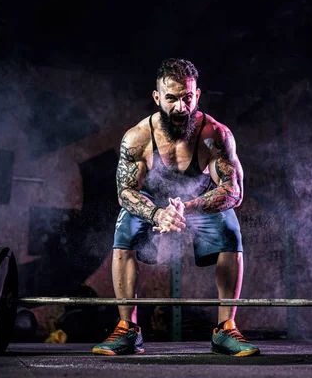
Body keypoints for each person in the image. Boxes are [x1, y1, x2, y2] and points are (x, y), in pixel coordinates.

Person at [92, 58, 259, 357]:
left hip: (197, 203)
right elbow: (125, 192)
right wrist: (157, 213)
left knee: (231, 232)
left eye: (187, 98)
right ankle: (127, 329)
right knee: (123, 233)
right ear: (157, 97)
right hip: (152, 205)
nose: (181, 107)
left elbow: (234, 191)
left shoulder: (215, 135)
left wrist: (188, 207)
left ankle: (226, 328)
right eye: (171, 98)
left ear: (197, 96)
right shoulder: (137, 138)